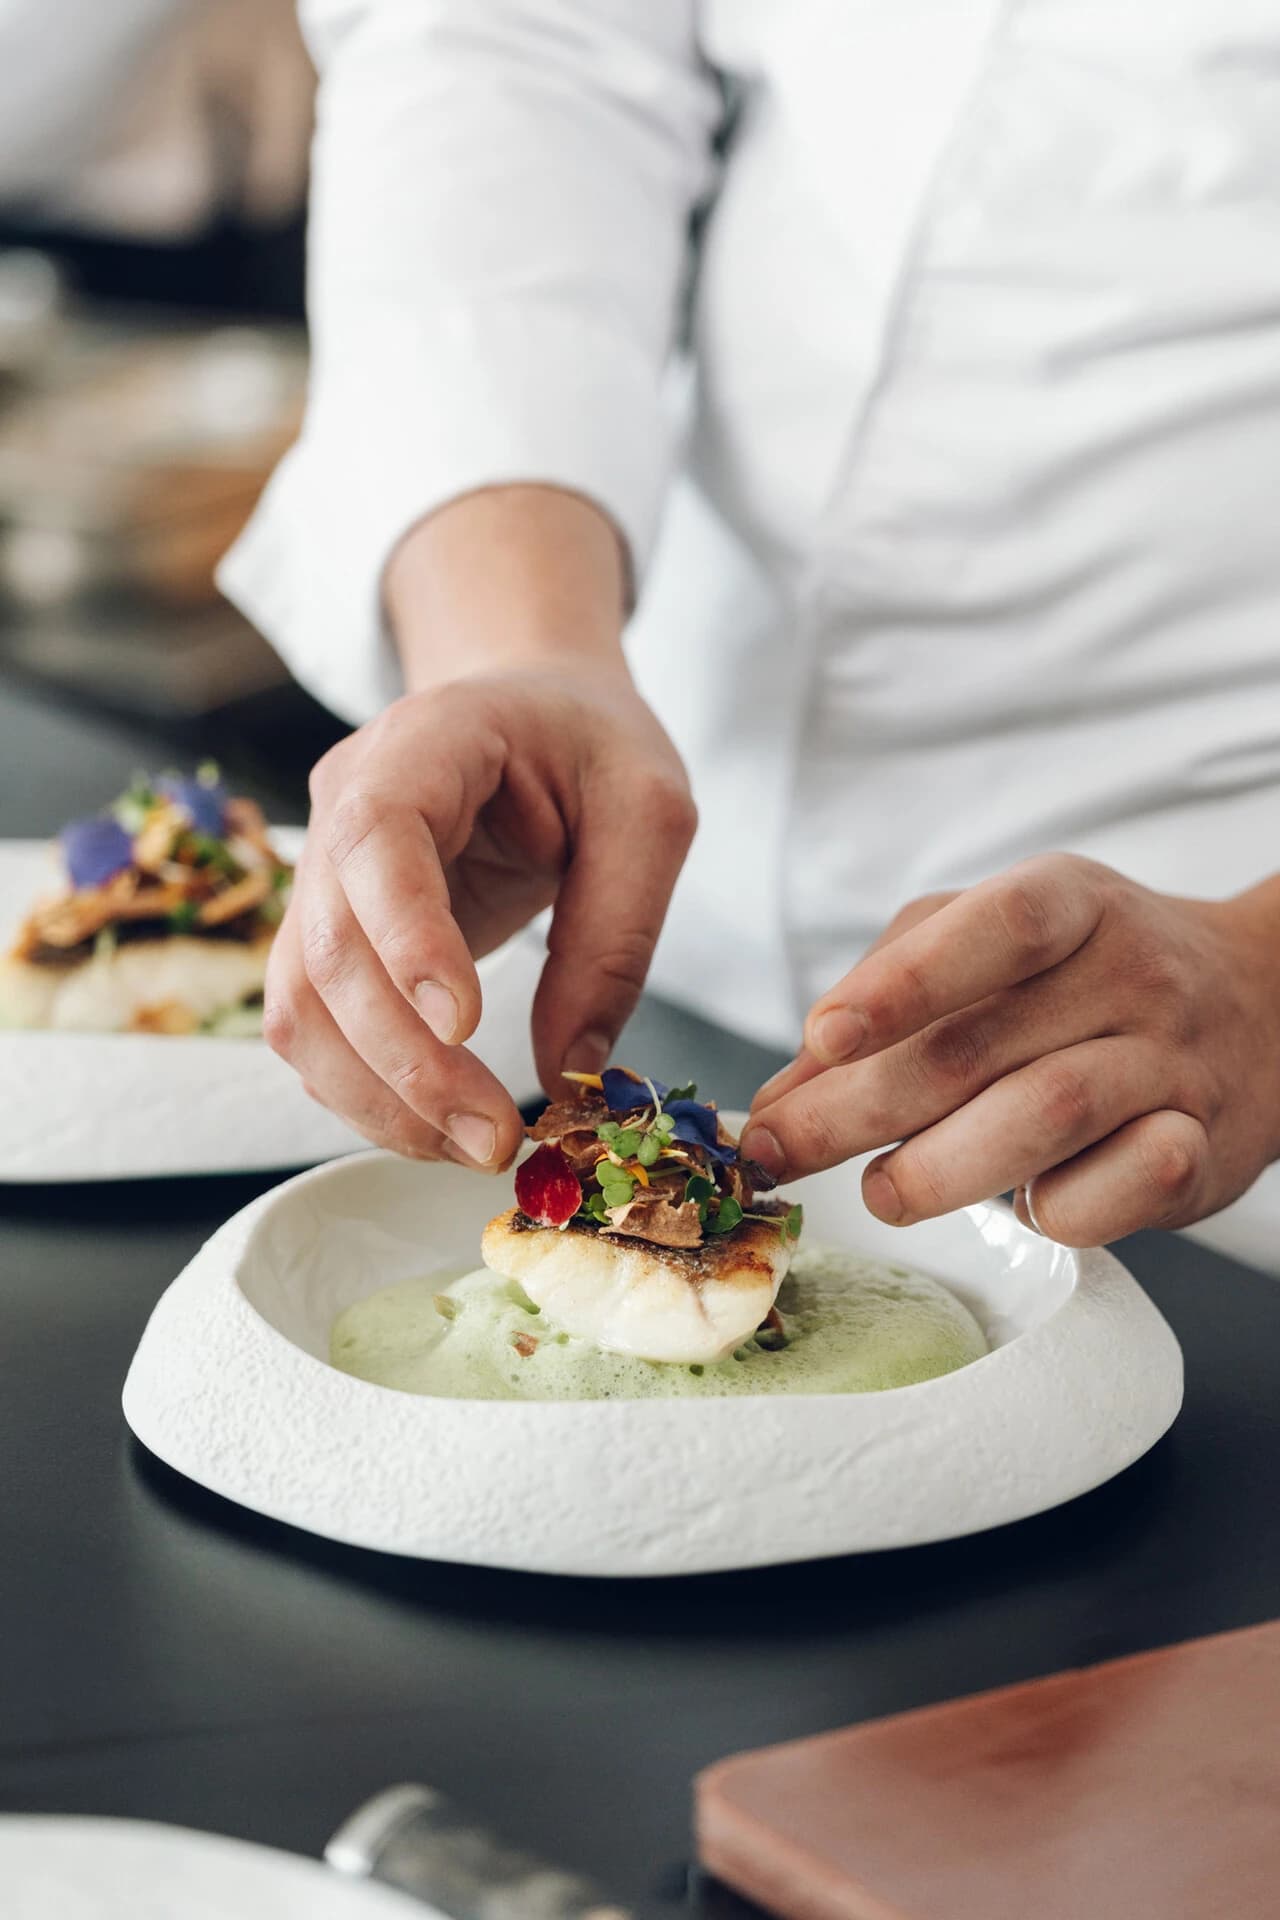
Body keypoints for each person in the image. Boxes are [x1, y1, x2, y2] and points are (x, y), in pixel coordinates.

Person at [221, 2, 1280, 1269]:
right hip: (658, 930)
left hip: (1208, 1074)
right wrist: (516, 643)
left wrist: (1259, 975)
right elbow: (513, 42)